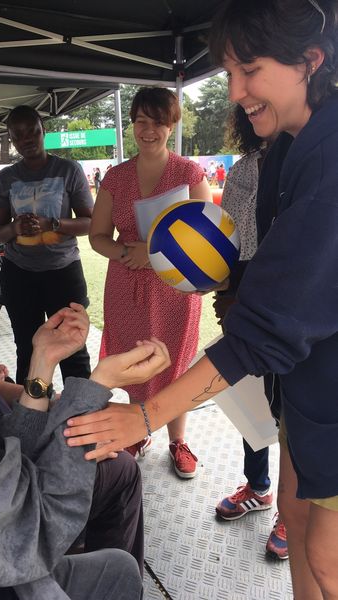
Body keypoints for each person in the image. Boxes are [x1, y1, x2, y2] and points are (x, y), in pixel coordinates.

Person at [65, 2, 338, 598]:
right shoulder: (291, 148)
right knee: (294, 516)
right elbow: (270, 267)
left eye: (250, 70)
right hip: (309, 390)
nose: (235, 89)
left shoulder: (329, 157)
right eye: (229, 72)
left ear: (311, 61)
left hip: (328, 384)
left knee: (326, 552)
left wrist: (142, 416)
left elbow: (270, 323)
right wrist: (229, 278)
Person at [0, 224, 170, 599]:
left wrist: (42, 361)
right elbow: (40, 529)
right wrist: (98, 386)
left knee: (118, 567)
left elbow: (0, 460)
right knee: (117, 568)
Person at [89, 86, 211, 477]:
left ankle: (178, 440)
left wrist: (155, 250)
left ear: (171, 124)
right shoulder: (116, 176)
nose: (148, 130)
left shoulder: (189, 173)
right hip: (127, 286)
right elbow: (97, 236)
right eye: (141, 121)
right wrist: (128, 253)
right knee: (131, 359)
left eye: (158, 122)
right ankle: (137, 428)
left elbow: (206, 238)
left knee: (173, 361)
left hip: (175, 287)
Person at [213, 105, 287, 560]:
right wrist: (224, 291)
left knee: (292, 408)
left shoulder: (309, 161)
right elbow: (227, 239)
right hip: (240, 290)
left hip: (285, 295)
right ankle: (258, 486)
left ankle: (291, 509)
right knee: (252, 397)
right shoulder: (242, 169)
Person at [0, 105, 93, 385]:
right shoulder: (6, 178)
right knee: (28, 349)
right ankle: (30, 418)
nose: (27, 139)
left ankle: (80, 416)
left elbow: (90, 222)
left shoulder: (68, 170)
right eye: (19, 135)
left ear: (43, 131)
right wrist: (14, 228)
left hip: (63, 274)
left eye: (33, 131)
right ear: (11, 140)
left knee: (73, 350)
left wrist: (53, 224)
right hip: (20, 274)